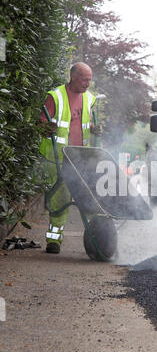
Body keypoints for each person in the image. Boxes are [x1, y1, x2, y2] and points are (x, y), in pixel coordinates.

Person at [39, 62, 101, 254]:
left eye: (90, 80)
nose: (87, 84)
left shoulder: (89, 98)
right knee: (61, 198)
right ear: (73, 76)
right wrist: (44, 127)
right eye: (84, 79)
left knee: (89, 196)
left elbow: (86, 122)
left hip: (81, 157)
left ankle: (97, 237)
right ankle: (54, 240)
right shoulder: (55, 96)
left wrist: (93, 129)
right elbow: (41, 122)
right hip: (57, 157)